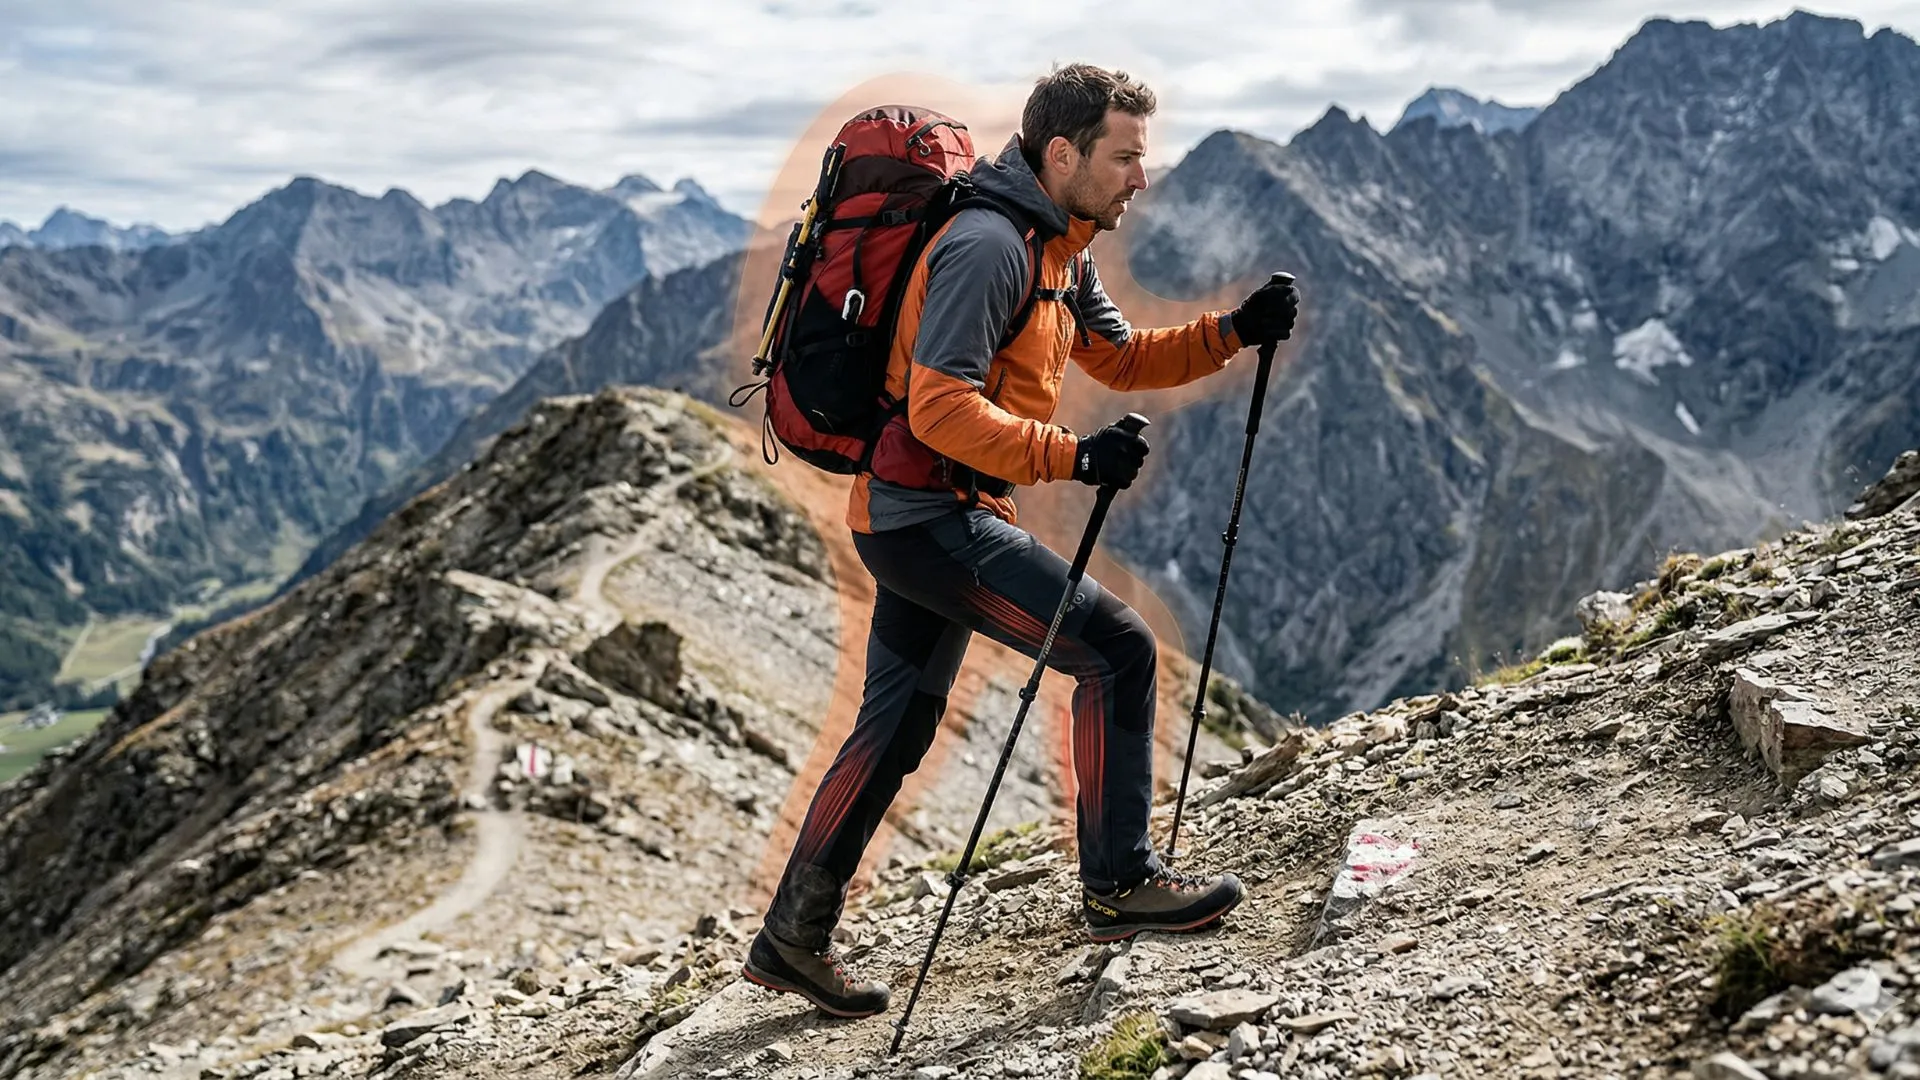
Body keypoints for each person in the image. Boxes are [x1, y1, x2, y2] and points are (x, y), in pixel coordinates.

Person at [744, 63, 1300, 1019]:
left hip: (926, 517)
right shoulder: (990, 248)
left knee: (896, 728)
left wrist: (1234, 331)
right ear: (1062, 152)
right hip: (930, 519)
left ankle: (792, 939)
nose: (1140, 176)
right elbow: (939, 404)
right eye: (1124, 157)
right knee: (1118, 650)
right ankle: (1121, 882)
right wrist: (1072, 456)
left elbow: (1121, 357)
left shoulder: (1060, 251)